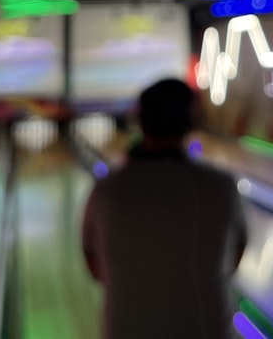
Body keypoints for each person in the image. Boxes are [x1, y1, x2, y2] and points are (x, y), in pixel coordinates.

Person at [82, 78, 248, 339]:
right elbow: (233, 259)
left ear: (140, 121)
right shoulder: (222, 187)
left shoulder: (107, 190)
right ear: (192, 123)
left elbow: (95, 266)